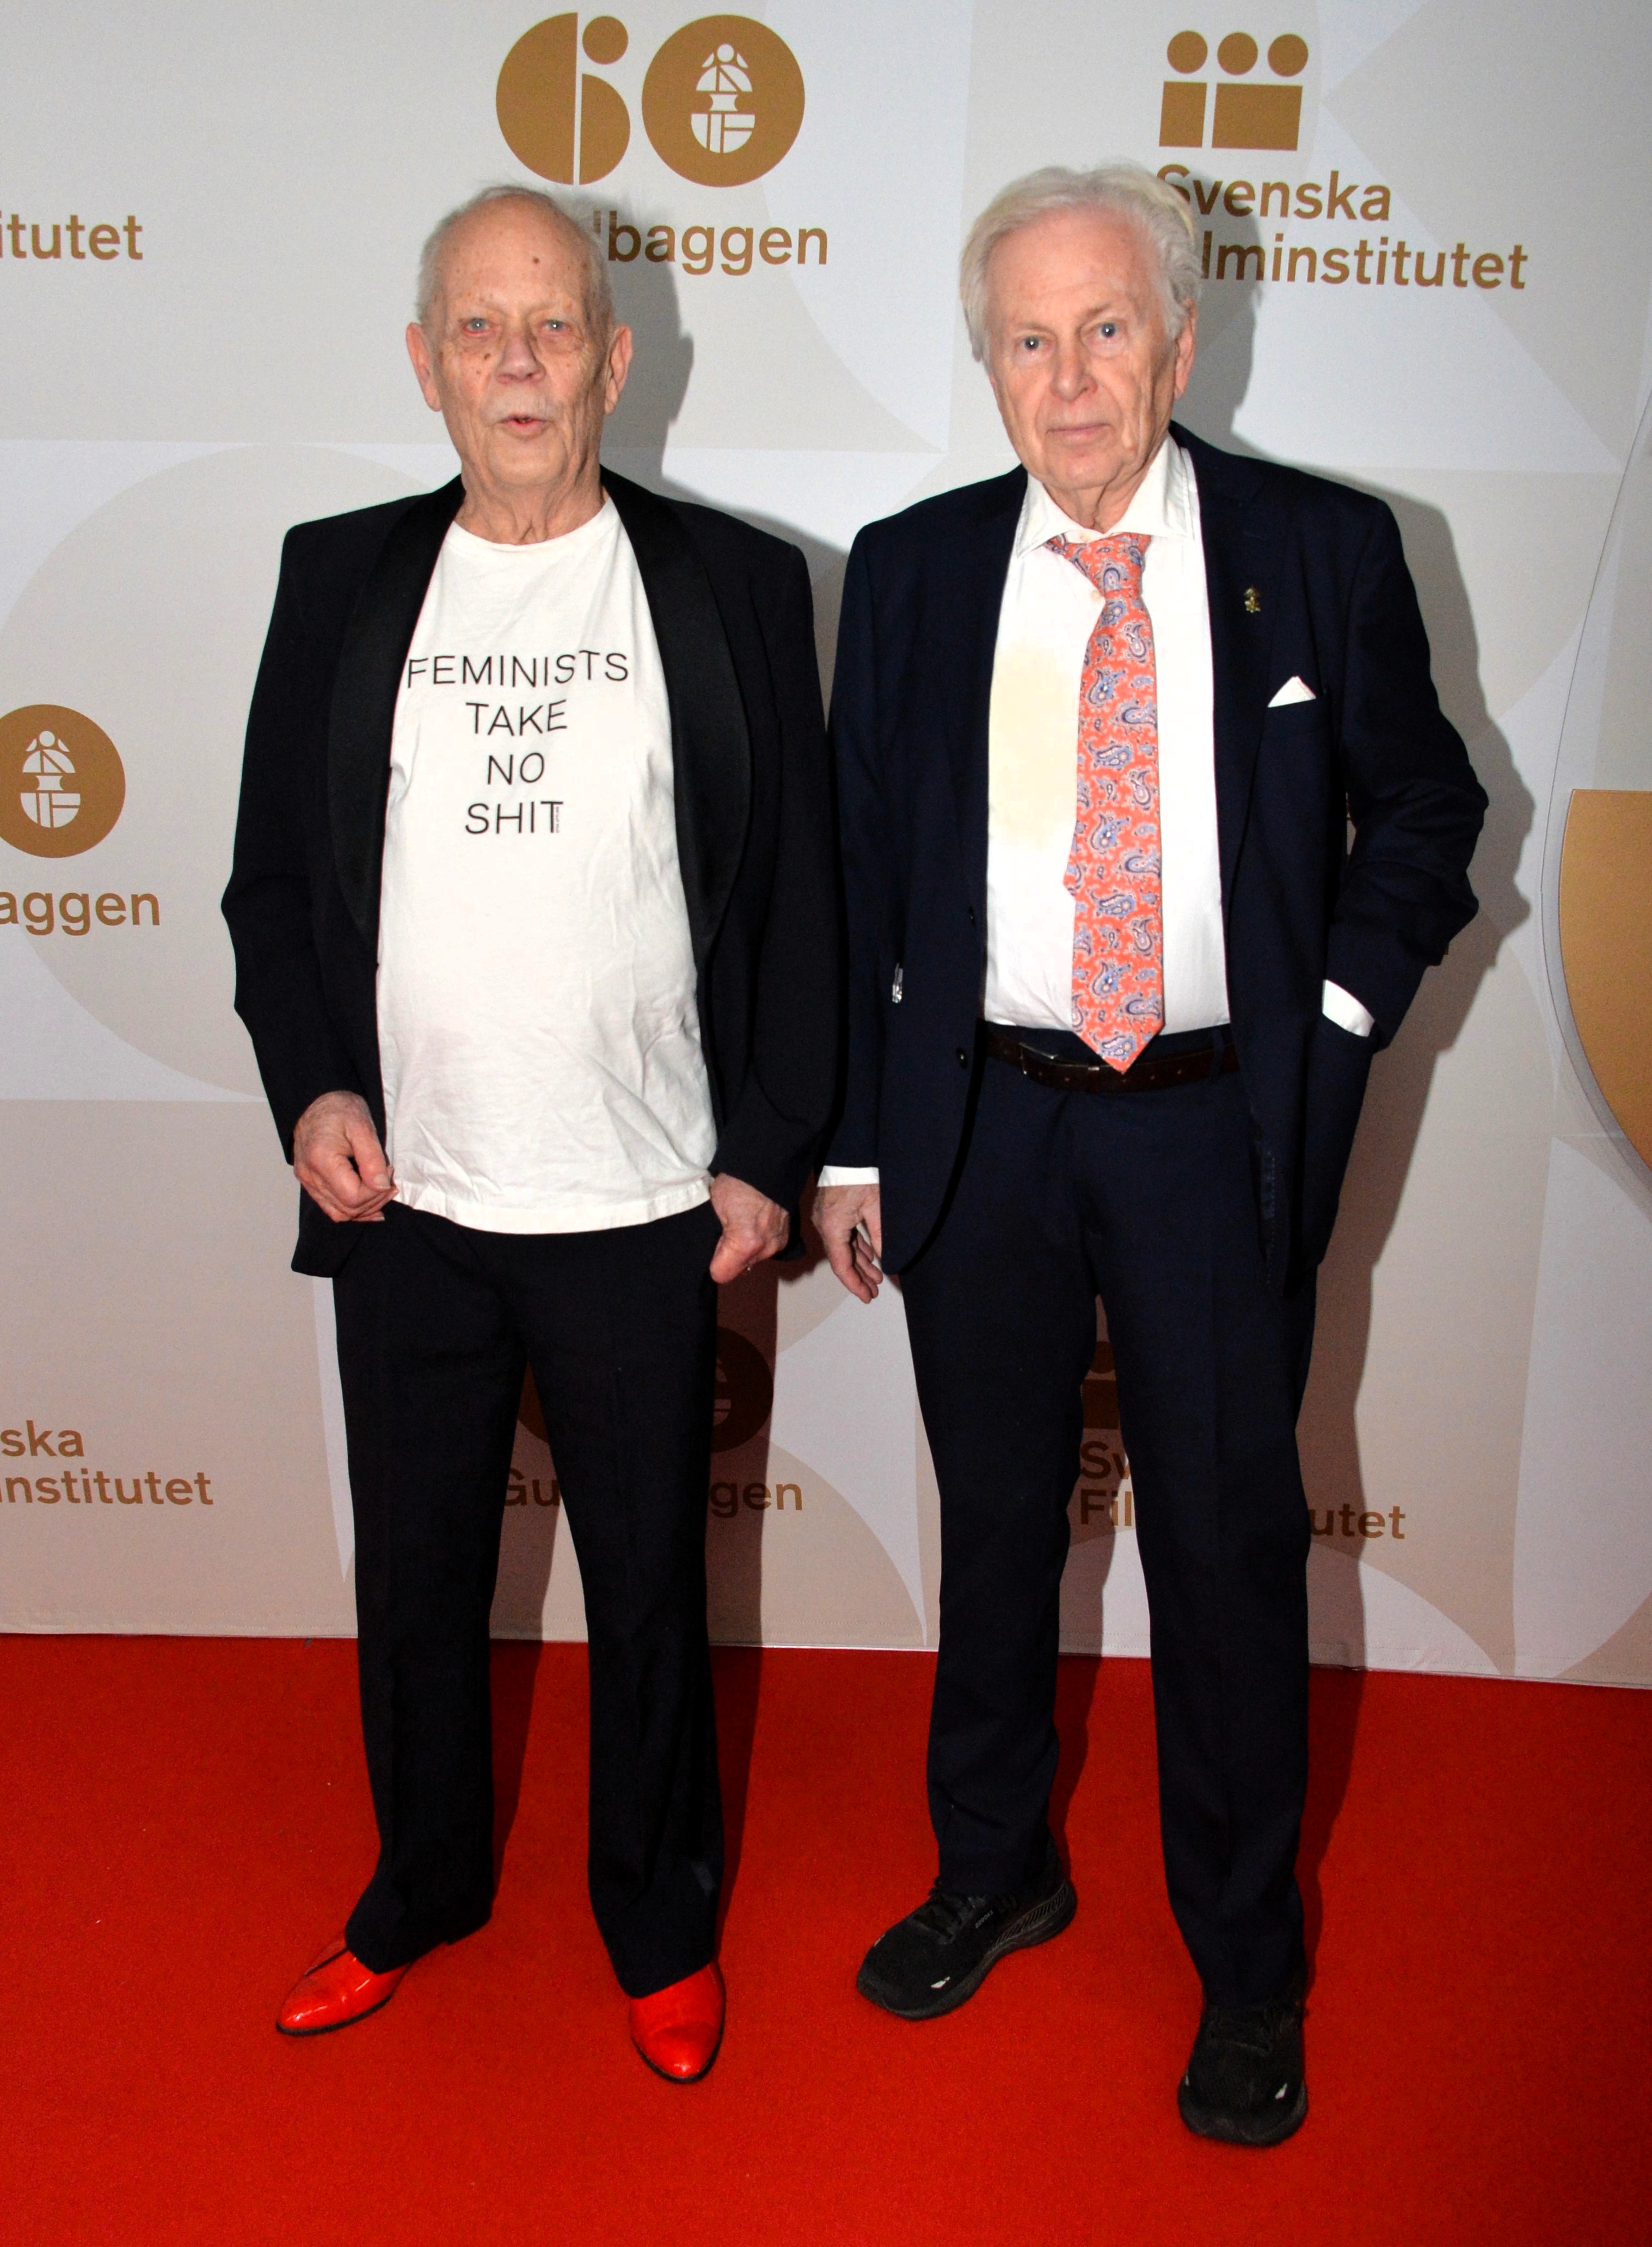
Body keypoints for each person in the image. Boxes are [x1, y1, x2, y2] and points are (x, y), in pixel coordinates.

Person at [813, 163, 1485, 2146]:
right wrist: (848, 1140)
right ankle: (994, 1865)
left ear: (1179, 343)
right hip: (982, 1123)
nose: (1070, 378)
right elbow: (858, 873)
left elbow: (1428, 809)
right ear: (987, 366)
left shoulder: (1321, 548)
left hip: (1212, 1130)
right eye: (1027, 340)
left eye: (1105, 329)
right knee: (993, 1526)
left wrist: (1334, 1016)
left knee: (1221, 1554)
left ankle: (1247, 1969)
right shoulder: (914, 570)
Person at [223, 185, 836, 2082]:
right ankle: (415, 1889)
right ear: (423, 362)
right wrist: (313, 1089)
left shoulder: (732, 586)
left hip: (644, 1196)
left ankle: (658, 1927)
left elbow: (804, 902)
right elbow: (269, 888)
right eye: (478, 327)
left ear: (613, 359)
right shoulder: (338, 578)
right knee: (415, 1584)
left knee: (649, 1593)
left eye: (552, 324)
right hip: (405, 1194)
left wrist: (771, 1148)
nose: (516, 361)